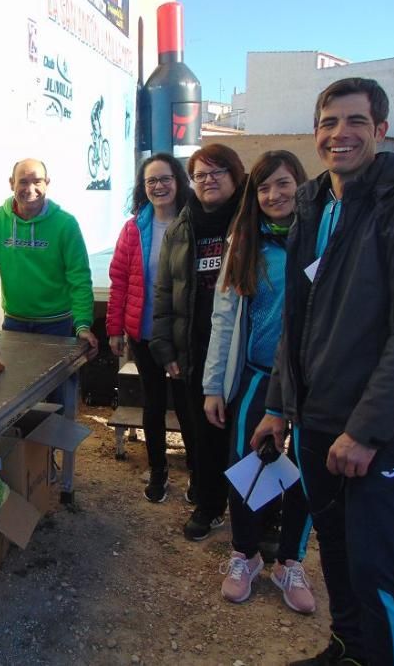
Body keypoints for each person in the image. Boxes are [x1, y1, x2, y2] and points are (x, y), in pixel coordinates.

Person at [255, 78, 394, 665]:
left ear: (381, 130)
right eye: (329, 122)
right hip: (316, 418)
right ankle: (348, 649)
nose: (341, 134)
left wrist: (366, 431)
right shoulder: (315, 203)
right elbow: (299, 317)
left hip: (379, 430)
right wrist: (275, 405)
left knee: (374, 563)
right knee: (335, 551)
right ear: (316, 133)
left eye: (355, 122)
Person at [202, 150, 315, 613]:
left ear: (300, 185)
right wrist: (213, 384)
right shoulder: (244, 241)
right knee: (250, 467)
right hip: (255, 377)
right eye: (264, 187)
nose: (274, 195)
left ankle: (290, 561)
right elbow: (224, 317)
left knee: (306, 476)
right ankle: (245, 554)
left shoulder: (321, 238)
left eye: (284, 183)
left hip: (311, 384)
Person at [150, 143, 244, 541]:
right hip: (194, 350)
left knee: (246, 434)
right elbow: (164, 292)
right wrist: (164, 347)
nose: (208, 181)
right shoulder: (181, 228)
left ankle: (257, 516)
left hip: (243, 352)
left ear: (236, 176)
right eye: (200, 174)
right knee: (202, 436)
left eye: (217, 172)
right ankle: (209, 505)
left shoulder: (249, 221)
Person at [106, 153, 194, 502]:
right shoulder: (134, 228)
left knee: (188, 406)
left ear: (178, 182)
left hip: (183, 334)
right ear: (143, 188)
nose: (159, 186)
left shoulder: (193, 222)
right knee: (154, 404)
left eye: (166, 179)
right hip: (143, 333)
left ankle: (198, 474)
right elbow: (120, 281)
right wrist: (115, 328)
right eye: (151, 181)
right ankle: (158, 471)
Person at [0, 158, 98, 350]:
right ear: (11, 183)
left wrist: (82, 324)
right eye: (23, 181)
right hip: (15, 323)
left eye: (37, 181)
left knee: (59, 380)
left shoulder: (66, 224)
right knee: (14, 380)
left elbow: (79, 277)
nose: (30, 188)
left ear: (47, 184)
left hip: (57, 326)